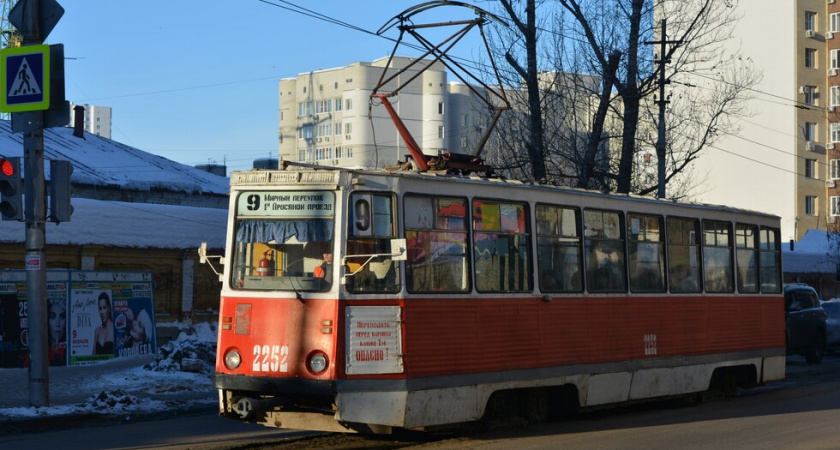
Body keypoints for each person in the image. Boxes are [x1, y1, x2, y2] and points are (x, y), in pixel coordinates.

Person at [48, 300, 67, 365]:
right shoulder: (40, 354)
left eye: (62, 317)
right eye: (52, 317)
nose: (57, 324)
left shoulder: (68, 354)